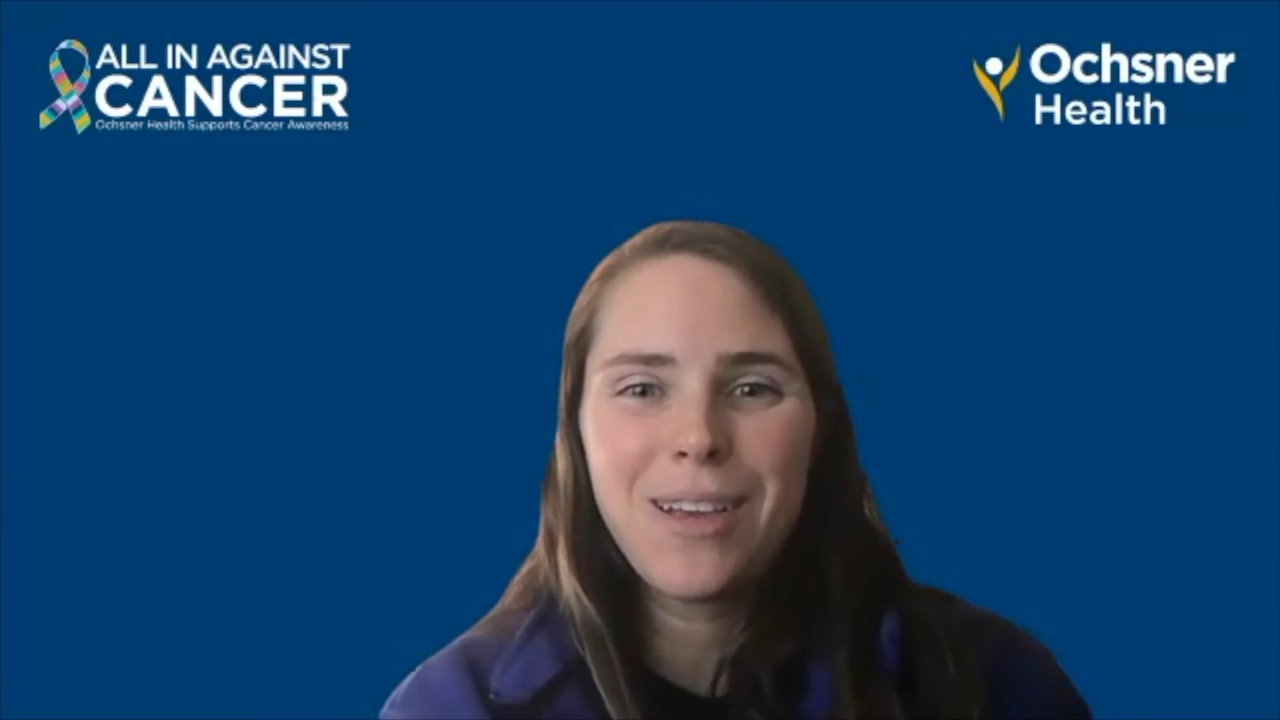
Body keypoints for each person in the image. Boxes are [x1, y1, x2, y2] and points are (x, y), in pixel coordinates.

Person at [379, 221, 1091, 720]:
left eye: (752, 388)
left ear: (822, 426)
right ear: (575, 432)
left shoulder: (994, 686)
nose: (698, 437)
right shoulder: (451, 709)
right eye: (642, 389)